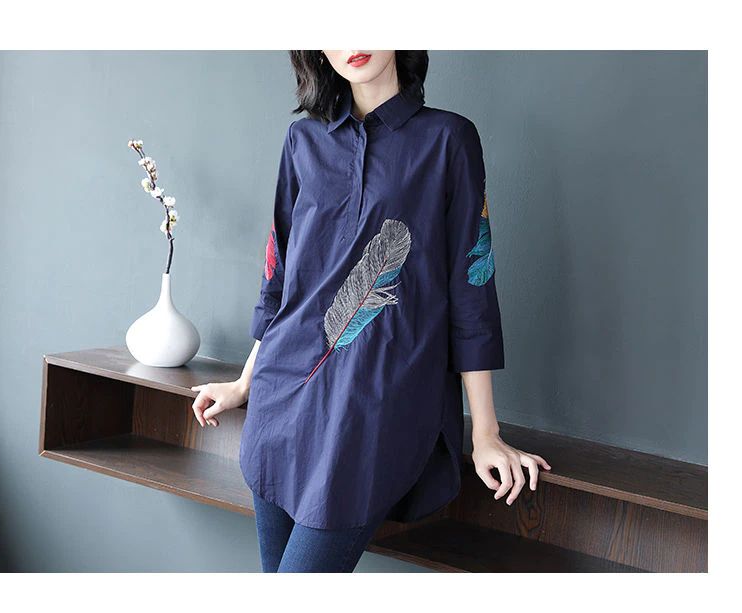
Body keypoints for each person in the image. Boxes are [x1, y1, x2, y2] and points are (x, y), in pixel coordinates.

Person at [190, 50, 551, 573]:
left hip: (378, 405)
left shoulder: (448, 139)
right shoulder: (303, 140)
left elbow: (472, 283)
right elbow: (280, 275)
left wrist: (485, 432)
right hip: (282, 395)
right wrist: (246, 382)